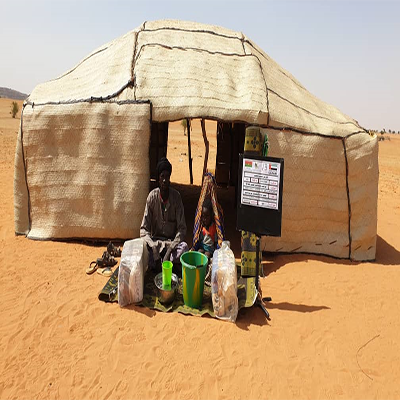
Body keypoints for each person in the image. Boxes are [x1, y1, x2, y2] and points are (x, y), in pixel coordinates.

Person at [140, 157, 188, 273]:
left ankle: (164, 264)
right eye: (162, 177)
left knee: (184, 247)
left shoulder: (176, 197)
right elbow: (143, 230)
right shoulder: (152, 197)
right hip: (155, 243)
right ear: (158, 179)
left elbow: (182, 229)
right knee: (141, 248)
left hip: (171, 244)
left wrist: (170, 249)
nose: (165, 180)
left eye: (167, 176)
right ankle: (163, 264)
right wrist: (153, 248)